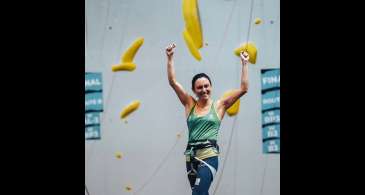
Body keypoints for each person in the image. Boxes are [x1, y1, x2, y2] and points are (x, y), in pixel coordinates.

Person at [165, 43, 249, 195]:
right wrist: (170, 58)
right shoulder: (189, 103)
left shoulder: (220, 105)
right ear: (194, 90)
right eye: (200, 87)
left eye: (206, 86)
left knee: (197, 194)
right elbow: (172, 82)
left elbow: (244, 88)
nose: (204, 89)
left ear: (211, 86)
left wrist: (244, 63)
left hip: (209, 157)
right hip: (191, 158)